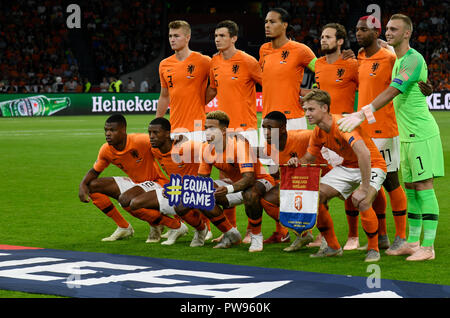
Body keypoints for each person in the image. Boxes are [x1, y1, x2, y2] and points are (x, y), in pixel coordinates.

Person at [338, 14, 444, 261]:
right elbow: (383, 51)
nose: (389, 32)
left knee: (424, 188)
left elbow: (394, 89)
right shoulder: (398, 58)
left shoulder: (412, 59)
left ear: (407, 33)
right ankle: (412, 242)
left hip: (420, 133)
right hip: (406, 134)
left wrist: (364, 112)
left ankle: (428, 248)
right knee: (411, 188)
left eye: (394, 29)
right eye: (387, 28)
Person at [290, 89, 387, 262]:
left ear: (325, 108)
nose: (306, 114)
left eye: (311, 109)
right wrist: (297, 162)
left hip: (373, 165)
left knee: (363, 200)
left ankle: (373, 249)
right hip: (349, 166)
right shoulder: (318, 132)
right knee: (316, 196)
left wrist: (364, 187)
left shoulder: (342, 124)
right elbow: (309, 157)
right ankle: (333, 247)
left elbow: (364, 154)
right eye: (305, 110)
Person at [130, 117, 248, 247]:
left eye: (156, 133)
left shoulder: (187, 147)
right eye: (150, 133)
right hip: (175, 189)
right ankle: (177, 226)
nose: (151, 136)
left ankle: (203, 230)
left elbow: (210, 147)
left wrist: (230, 170)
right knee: (134, 203)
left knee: (191, 199)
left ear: (167, 133)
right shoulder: (155, 149)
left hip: (194, 190)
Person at [78, 114, 186, 243]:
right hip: (135, 183)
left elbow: (165, 143)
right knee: (92, 186)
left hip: (157, 182)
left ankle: (175, 226)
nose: (108, 134)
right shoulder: (106, 150)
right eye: (106, 130)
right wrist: (82, 186)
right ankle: (124, 227)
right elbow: (94, 171)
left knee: (127, 199)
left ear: (123, 130)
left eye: (112, 130)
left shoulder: (140, 141)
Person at [205, 20, 262, 243]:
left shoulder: (248, 61)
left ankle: (252, 231)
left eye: (222, 35)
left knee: (251, 181)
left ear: (234, 38)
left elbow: (266, 84)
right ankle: (230, 230)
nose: (217, 39)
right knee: (225, 180)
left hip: (246, 129)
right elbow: (212, 89)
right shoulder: (214, 62)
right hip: (223, 132)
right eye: (216, 35)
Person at [198, 110, 276, 252]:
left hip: (261, 181)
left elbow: (249, 179)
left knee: (250, 194)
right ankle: (231, 234)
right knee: (200, 194)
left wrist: (227, 189)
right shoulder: (206, 148)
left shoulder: (239, 144)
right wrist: (182, 189)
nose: (207, 132)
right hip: (235, 186)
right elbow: (202, 180)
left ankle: (256, 235)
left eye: (212, 128)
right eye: (206, 128)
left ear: (223, 130)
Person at [261, 111, 331, 251]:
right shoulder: (269, 145)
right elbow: (278, 172)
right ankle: (303, 234)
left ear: (282, 128)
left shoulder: (304, 136)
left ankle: (327, 239)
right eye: (264, 128)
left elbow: (328, 138)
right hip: (297, 180)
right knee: (267, 200)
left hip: (323, 176)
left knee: (317, 202)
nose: (266, 132)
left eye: (270, 128)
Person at [156, 20, 211, 142]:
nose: (172, 39)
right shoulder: (164, 65)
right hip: (175, 128)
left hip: (198, 129)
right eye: (170, 36)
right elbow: (164, 96)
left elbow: (216, 85)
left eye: (176, 36)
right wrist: (157, 123)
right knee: (177, 162)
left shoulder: (203, 61)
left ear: (188, 37)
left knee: (199, 161)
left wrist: (202, 101)